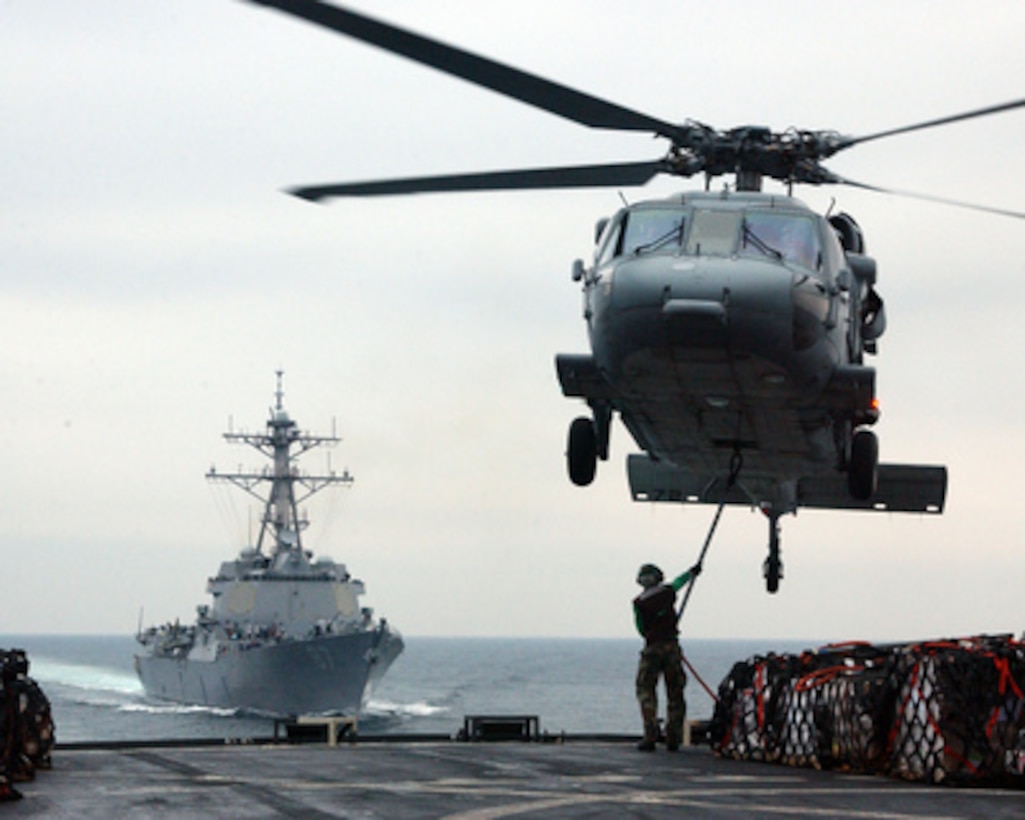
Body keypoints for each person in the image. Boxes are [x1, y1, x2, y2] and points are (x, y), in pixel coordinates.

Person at [632, 562, 701, 751]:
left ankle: (650, 735)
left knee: (646, 691)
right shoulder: (667, 592)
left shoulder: (638, 603)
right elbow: (680, 582)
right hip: (671, 647)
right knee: (675, 692)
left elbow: (640, 628)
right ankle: (673, 737)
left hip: (652, 648)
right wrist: (692, 572)